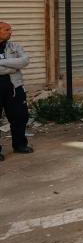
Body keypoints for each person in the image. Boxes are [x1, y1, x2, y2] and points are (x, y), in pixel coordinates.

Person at [0, 21, 33, 158]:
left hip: (15, 87)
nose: (10, 32)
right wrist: (13, 66)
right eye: (7, 29)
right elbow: (17, 64)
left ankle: (19, 145)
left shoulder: (14, 46)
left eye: (10, 29)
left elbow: (24, 61)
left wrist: (1, 63)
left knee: (20, 116)